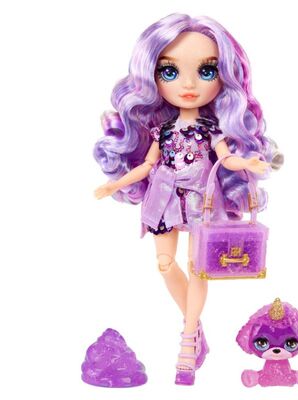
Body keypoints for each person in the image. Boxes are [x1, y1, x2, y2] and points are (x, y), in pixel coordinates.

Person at [94, 13, 282, 385]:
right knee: (165, 265)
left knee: (199, 267)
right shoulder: (161, 130)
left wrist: (247, 162)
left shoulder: (212, 128)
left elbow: (226, 158)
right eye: (170, 72)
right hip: (163, 200)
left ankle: (187, 339)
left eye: (207, 71)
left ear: (224, 78)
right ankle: (196, 329)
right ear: (151, 78)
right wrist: (114, 185)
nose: (189, 84)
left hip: (201, 202)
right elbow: (147, 166)